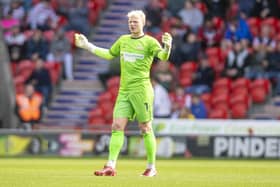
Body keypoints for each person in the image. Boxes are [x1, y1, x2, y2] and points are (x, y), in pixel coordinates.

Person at [75, 10, 172, 177]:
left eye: (135, 21)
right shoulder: (123, 40)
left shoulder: (149, 42)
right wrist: (87, 45)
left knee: (145, 128)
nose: (132, 24)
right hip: (124, 91)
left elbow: (163, 57)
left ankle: (151, 167)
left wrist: (168, 46)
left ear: (143, 22)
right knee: (117, 126)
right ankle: (110, 166)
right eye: (130, 22)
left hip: (141, 91)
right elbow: (108, 54)